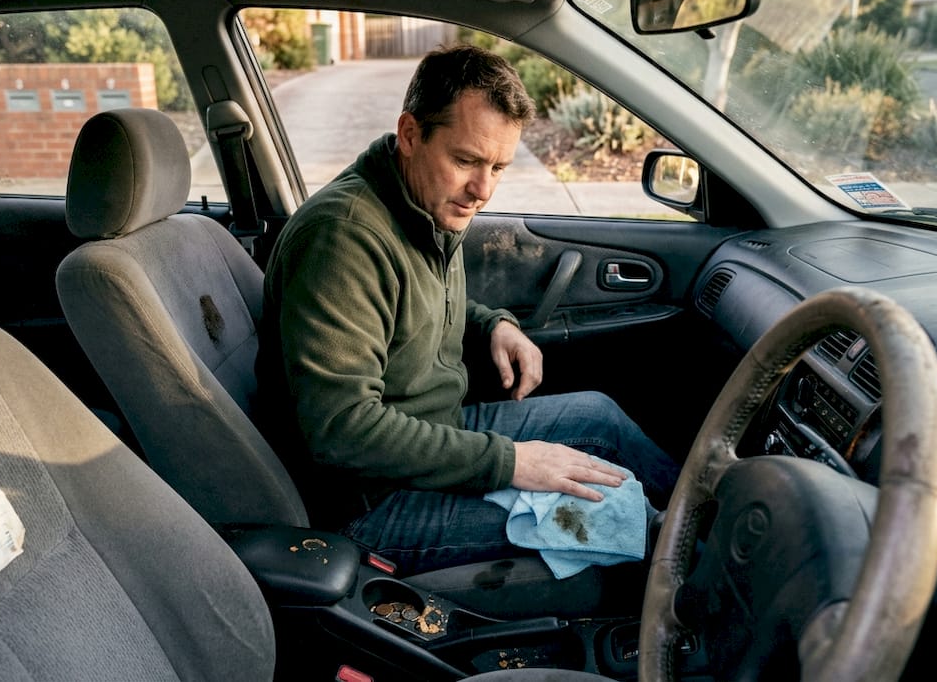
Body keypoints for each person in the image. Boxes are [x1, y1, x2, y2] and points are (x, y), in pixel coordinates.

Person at [255, 43, 681, 575]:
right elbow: (342, 430)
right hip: (371, 502)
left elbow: (413, 304)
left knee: (600, 418)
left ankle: (707, 517)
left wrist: (493, 325)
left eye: (499, 166)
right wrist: (509, 463)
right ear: (410, 135)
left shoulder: (419, 204)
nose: (482, 190)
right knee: (617, 517)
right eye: (466, 161)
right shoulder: (343, 240)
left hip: (435, 431)